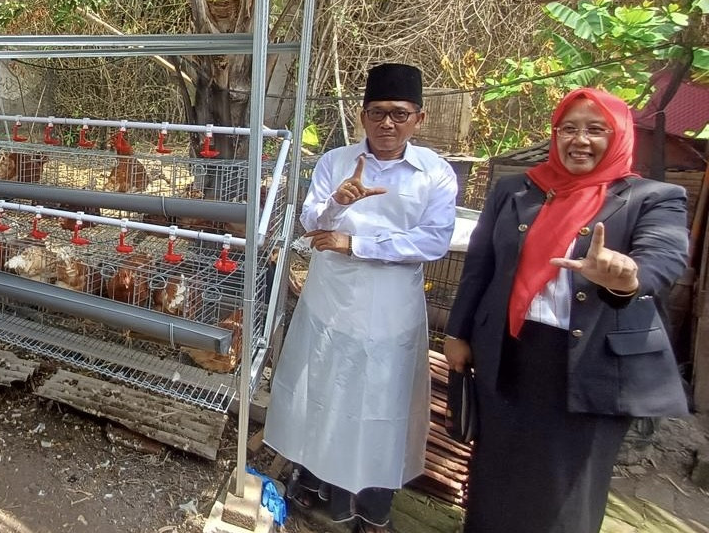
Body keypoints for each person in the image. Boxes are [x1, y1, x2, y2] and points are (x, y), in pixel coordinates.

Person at [443, 88, 688, 533]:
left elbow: (664, 259)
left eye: (596, 129)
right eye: (568, 128)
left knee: (565, 490)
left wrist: (626, 277)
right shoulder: (517, 189)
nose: (580, 139)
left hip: (592, 363)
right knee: (496, 474)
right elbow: (481, 262)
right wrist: (457, 332)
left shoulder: (653, 198)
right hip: (510, 352)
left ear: (618, 136)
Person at [264, 63, 457, 533]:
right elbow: (313, 222)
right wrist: (339, 203)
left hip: (391, 308)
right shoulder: (336, 161)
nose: (387, 123)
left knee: (383, 402)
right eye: (377, 113)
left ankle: (373, 506)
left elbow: (433, 242)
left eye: (399, 114)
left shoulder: (434, 173)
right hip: (332, 300)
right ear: (362, 115)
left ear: (419, 118)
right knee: (323, 390)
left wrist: (358, 243)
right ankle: (312, 480)